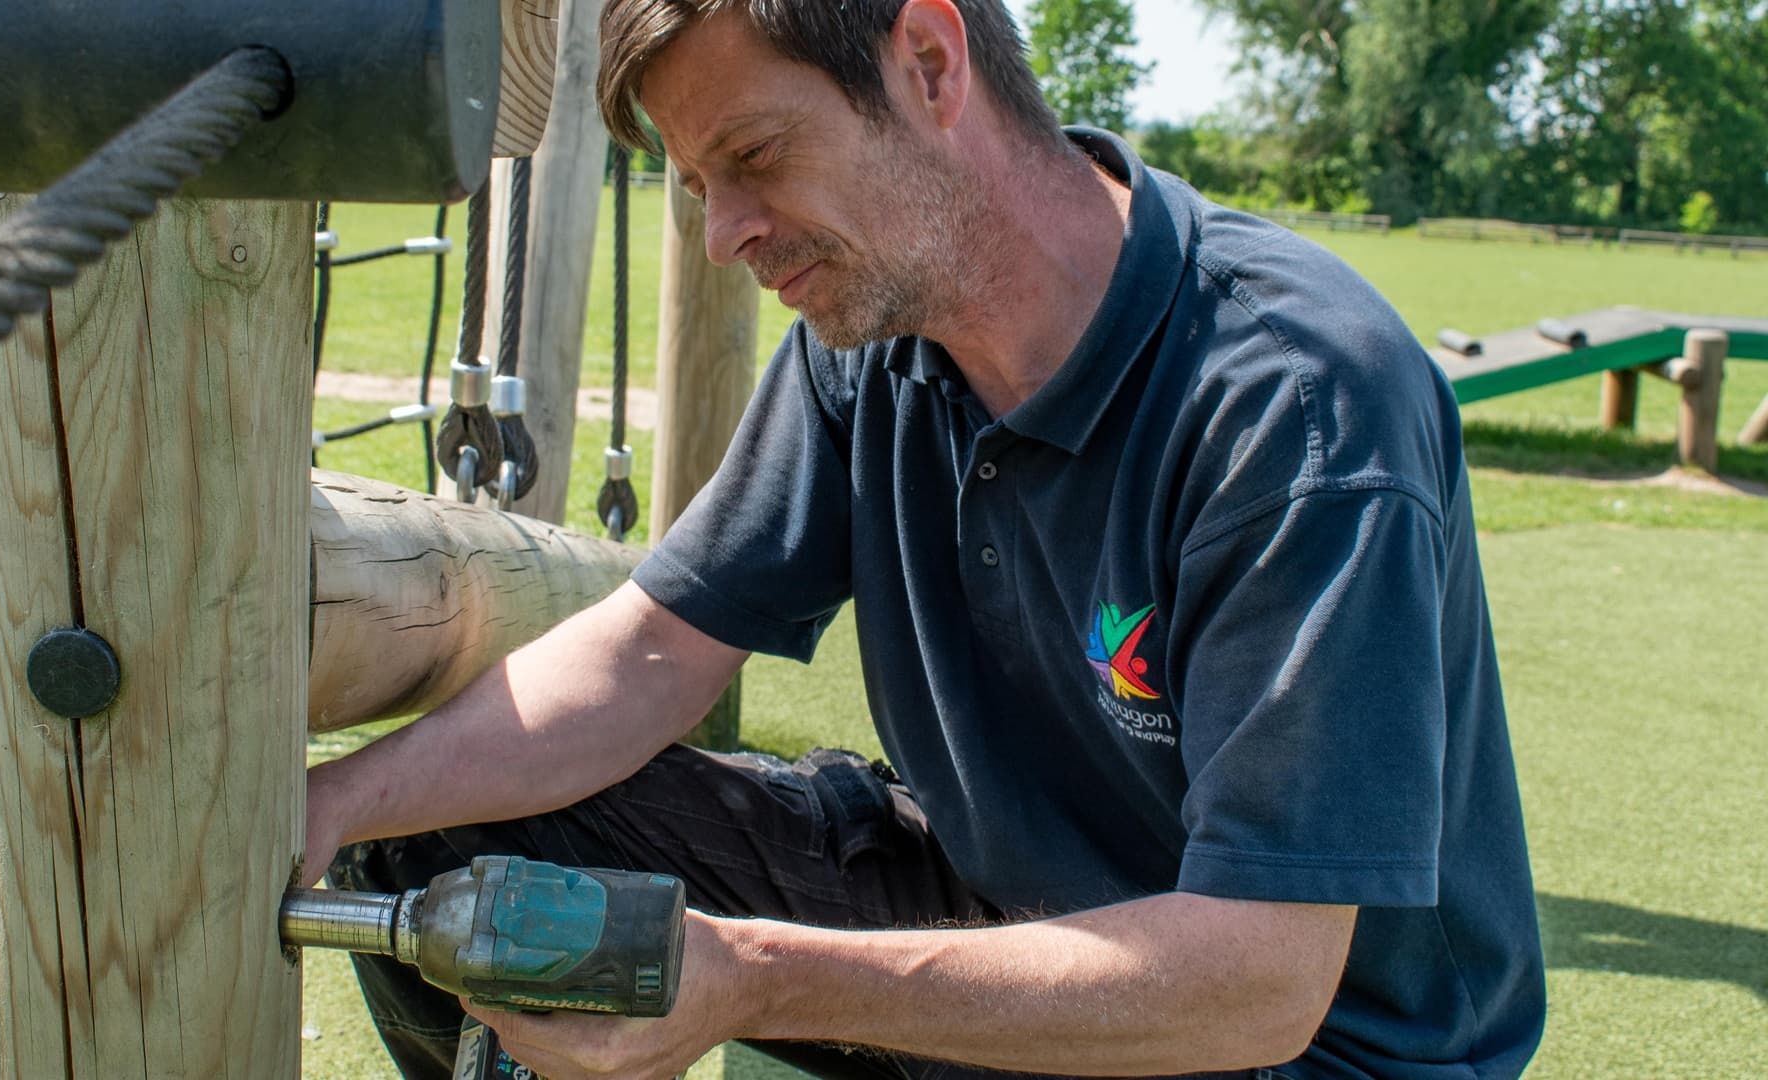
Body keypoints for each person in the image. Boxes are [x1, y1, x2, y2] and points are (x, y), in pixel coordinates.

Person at [302, 0, 1546, 1076]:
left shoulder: (1297, 400)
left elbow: (1262, 982)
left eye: (754, 153)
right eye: (696, 187)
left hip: (1294, 1050)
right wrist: (331, 802)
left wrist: (759, 976)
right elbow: (643, 658)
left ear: (933, 65)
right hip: (997, 913)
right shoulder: (869, 349)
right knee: (440, 850)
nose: (726, 232)